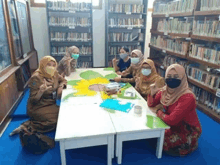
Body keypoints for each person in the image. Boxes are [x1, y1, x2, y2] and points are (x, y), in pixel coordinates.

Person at [147, 64, 202, 156]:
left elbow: (172, 120)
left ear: (183, 78)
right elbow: (151, 104)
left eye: (176, 77)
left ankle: (191, 144)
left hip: (187, 128)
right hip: (171, 123)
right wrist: (152, 93)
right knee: (153, 135)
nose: (172, 79)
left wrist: (159, 112)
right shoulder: (165, 91)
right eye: (169, 76)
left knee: (162, 141)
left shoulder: (188, 97)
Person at [10, 56, 67, 136]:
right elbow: (33, 100)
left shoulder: (54, 73)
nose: (52, 67)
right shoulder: (36, 78)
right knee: (55, 121)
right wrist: (41, 91)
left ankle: (32, 123)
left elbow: (63, 80)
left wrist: (60, 87)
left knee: (64, 116)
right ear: (43, 65)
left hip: (50, 104)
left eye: (54, 65)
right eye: (49, 65)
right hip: (37, 106)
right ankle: (28, 126)